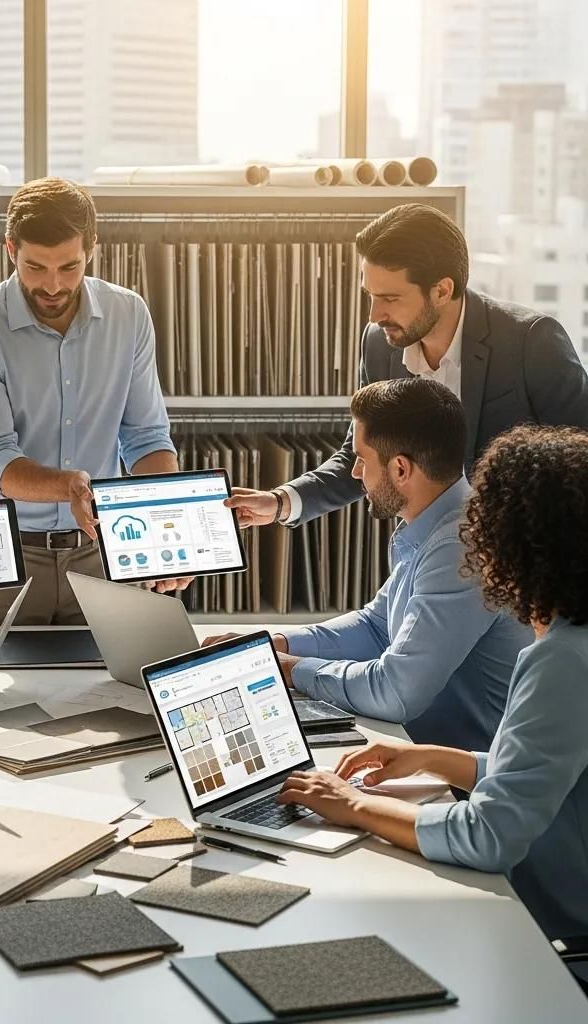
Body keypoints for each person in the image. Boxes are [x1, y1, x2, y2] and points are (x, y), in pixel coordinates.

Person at [277, 424, 588, 948]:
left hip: (556, 918)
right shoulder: (573, 641)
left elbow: (489, 835)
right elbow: (548, 767)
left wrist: (353, 805)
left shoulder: (561, 660)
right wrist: (435, 758)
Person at [208, 378, 530, 753]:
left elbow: (395, 691)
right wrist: (273, 643)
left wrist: (289, 669)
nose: (356, 473)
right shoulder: (436, 524)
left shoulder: (460, 547)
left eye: (361, 458)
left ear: (400, 470)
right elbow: (377, 627)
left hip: (461, 782)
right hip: (414, 749)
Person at [225, 202, 588, 530]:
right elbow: (364, 457)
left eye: (390, 298)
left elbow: (579, 463)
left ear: (442, 290)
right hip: (424, 553)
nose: (375, 315)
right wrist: (279, 503)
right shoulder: (379, 345)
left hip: (522, 562)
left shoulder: (531, 342)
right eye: (371, 296)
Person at [0, 177, 186, 625]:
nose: (52, 286)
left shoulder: (128, 314)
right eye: (35, 267)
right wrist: (68, 486)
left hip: (102, 550)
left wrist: (163, 518)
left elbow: (146, 436)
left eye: (68, 267)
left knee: (123, 688)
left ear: (91, 248)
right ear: (10, 249)